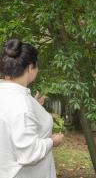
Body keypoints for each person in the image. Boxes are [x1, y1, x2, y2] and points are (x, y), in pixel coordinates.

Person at [0, 39, 64, 178]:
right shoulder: (21, 104)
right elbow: (29, 153)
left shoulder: (10, 94)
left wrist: (34, 104)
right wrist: (53, 141)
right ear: (30, 67)